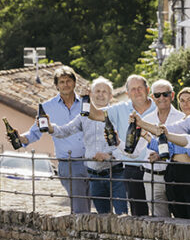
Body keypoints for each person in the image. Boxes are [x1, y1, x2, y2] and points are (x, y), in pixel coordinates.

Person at [138, 81, 190, 222]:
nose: (185, 104)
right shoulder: (185, 123)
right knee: (180, 216)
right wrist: (146, 135)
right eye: (182, 101)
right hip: (174, 172)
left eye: (189, 100)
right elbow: (167, 143)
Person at [47, 77, 126, 214]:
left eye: (104, 91)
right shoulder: (84, 116)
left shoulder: (117, 115)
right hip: (94, 176)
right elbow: (66, 130)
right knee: (102, 216)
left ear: (111, 96)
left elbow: (126, 145)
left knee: (122, 215)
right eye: (97, 91)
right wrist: (49, 127)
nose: (100, 94)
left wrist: (110, 156)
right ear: (91, 95)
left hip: (116, 174)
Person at [82, 74, 154, 215]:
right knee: (137, 215)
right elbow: (96, 115)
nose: (137, 92)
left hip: (156, 169)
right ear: (127, 93)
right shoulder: (120, 109)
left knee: (163, 211)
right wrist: (87, 99)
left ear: (147, 89)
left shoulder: (159, 107)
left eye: (140, 88)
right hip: (132, 169)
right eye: (133, 89)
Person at [18, 66, 87, 205]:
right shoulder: (47, 107)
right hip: (69, 164)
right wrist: (21, 139)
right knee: (80, 205)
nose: (66, 84)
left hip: (93, 162)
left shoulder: (86, 104)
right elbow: (35, 132)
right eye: (62, 82)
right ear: (56, 85)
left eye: (68, 81)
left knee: (101, 205)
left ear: (74, 83)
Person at [136, 80, 185, 218]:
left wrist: (162, 155)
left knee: (182, 218)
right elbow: (137, 150)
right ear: (152, 97)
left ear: (172, 95)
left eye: (165, 94)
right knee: (159, 221)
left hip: (176, 177)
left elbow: (185, 147)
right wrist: (117, 143)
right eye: (157, 95)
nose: (161, 98)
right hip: (152, 176)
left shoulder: (182, 119)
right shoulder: (146, 119)